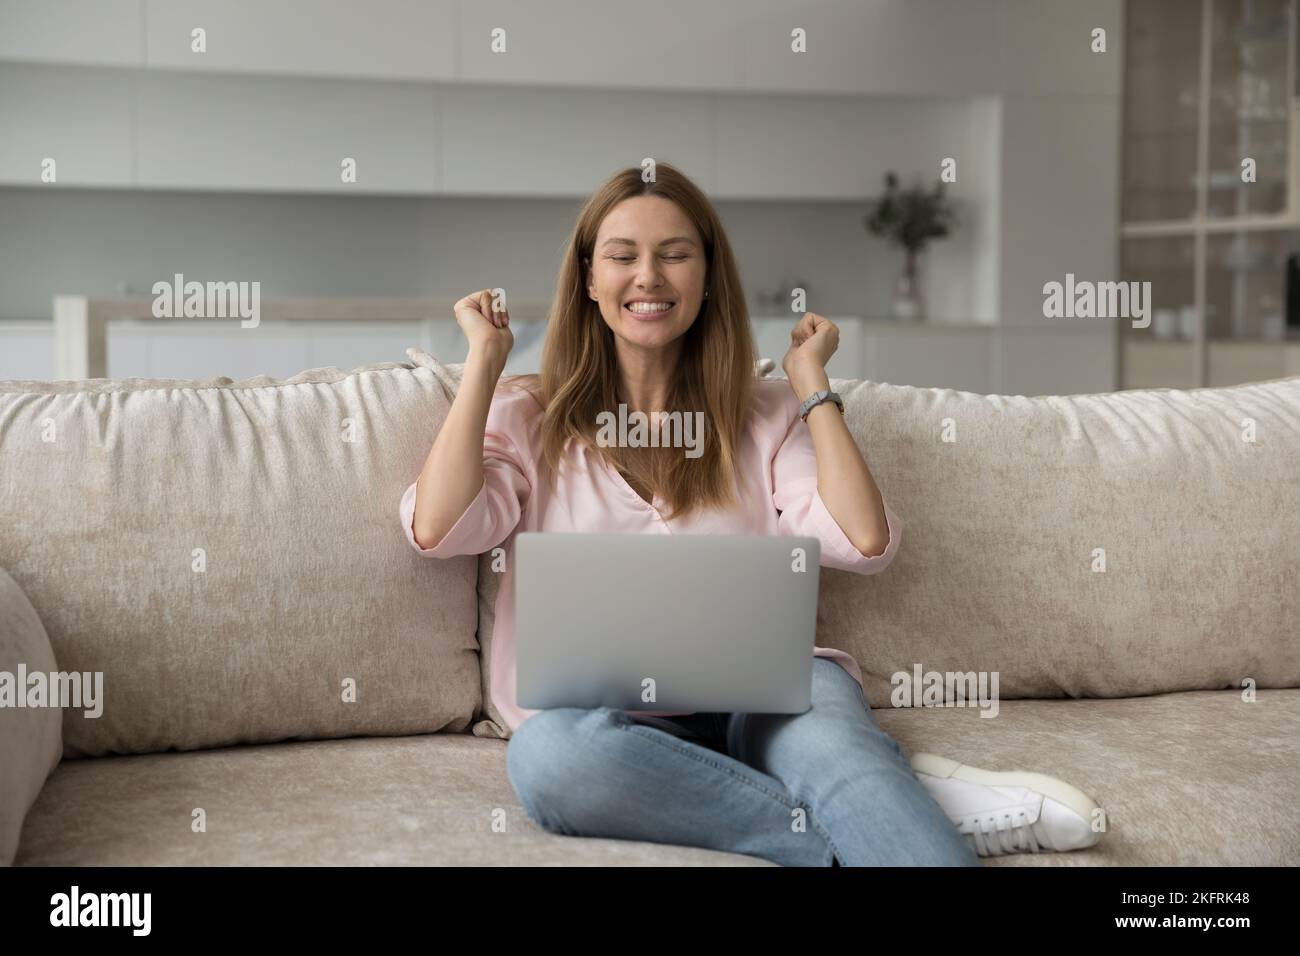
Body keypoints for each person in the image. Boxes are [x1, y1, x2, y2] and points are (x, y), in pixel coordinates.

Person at [401, 162, 1102, 865]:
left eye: (675, 254)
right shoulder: (529, 416)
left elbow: (865, 540)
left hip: (769, 695)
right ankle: (884, 812)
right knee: (549, 761)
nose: (648, 276)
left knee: (833, 751)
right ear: (588, 279)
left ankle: (865, 794)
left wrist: (811, 387)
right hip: (604, 723)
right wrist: (484, 365)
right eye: (623, 256)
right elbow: (440, 528)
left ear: (707, 278)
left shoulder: (765, 412)